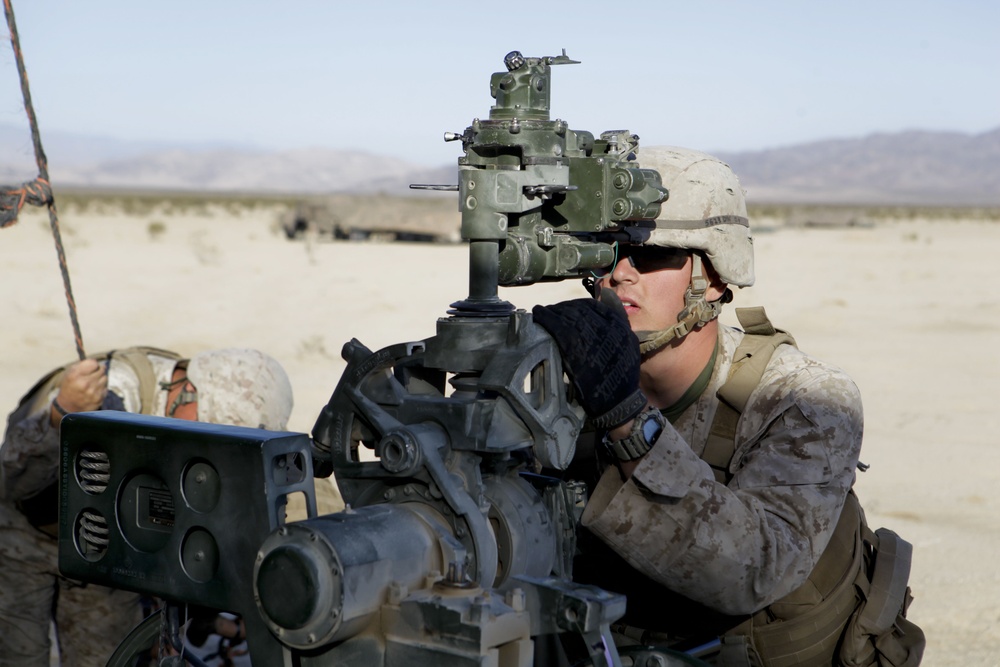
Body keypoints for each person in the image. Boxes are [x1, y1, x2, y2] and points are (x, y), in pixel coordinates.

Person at [532, 147, 924, 666]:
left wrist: (624, 420)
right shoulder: (564, 382)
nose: (620, 273)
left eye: (649, 255)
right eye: (605, 253)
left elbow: (757, 570)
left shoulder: (805, 399)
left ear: (713, 277)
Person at [0, 347, 294, 667]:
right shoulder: (115, 394)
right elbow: (13, 477)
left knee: (108, 660)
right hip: (26, 534)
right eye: (209, 425)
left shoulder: (191, 423)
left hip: (105, 551)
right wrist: (62, 414)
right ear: (187, 392)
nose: (210, 444)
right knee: (19, 655)